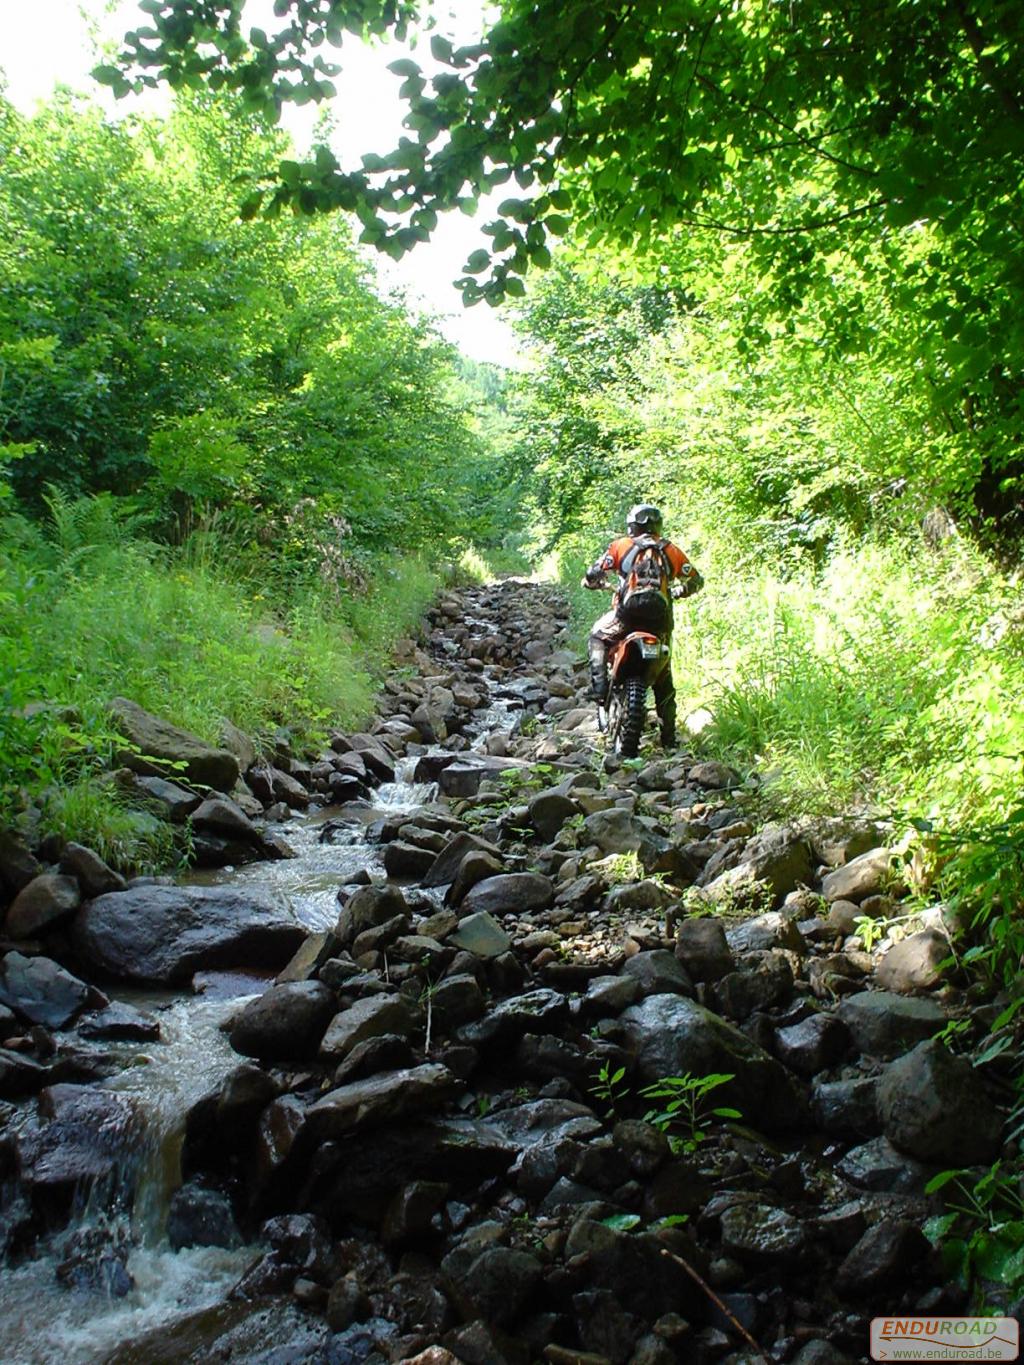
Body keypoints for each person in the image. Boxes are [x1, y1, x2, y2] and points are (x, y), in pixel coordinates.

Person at [581, 503, 703, 747]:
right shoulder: (671, 550)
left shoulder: (621, 546)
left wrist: (591, 581)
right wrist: (678, 591)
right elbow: (696, 581)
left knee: (597, 636)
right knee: (663, 673)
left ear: (632, 526)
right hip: (661, 622)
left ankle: (600, 689)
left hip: (626, 618)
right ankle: (669, 736)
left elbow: (595, 572)